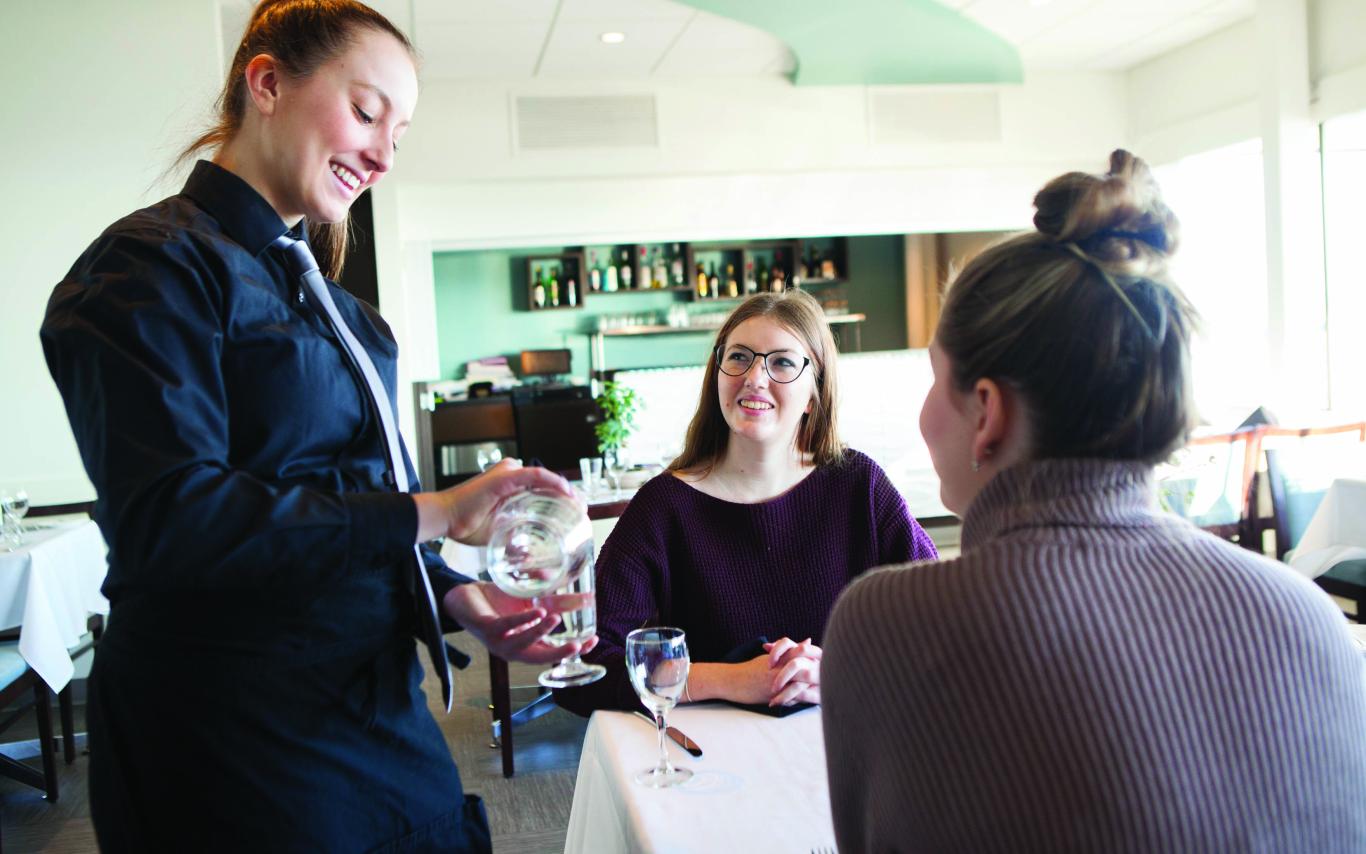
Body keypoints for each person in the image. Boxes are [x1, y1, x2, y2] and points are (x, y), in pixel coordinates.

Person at [40, 2, 593, 850]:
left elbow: (354, 503)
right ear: (266, 82)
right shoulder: (148, 269)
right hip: (235, 732)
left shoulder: (347, 316)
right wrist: (438, 511)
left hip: (375, 712)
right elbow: (174, 521)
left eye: (398, 134)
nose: (381, 153)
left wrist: (455, 594)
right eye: (367, 112)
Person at [821, 150, 1366, 851]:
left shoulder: (885, 626)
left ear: (986, 412)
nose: (926, 414)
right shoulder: (1306, 614)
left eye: (935, 378)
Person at [556, 289, 938, 716]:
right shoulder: (664, 507)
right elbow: (578, 671)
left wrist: (840, 672)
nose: (755, 377)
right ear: (716, 373)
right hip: (709, 765)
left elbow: (945, 625)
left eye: (782, 362)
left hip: (843, 754)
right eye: (739, 357)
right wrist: (730, 678)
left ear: (814, 394)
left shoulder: (859, 486)